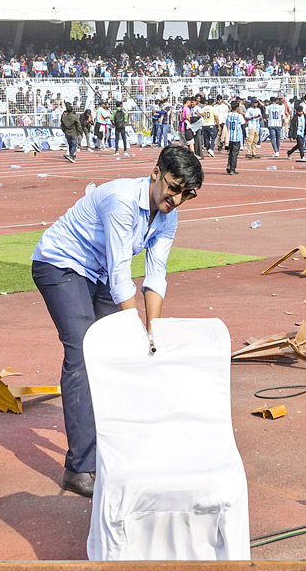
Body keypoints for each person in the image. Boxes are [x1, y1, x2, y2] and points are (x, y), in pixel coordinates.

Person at [30, 146, 203, 497]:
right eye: (173, 187)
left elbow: (155, 275)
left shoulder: (168, 217)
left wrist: (152, 333)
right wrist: (134, 329)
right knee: (83, 352)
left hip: (98, 273)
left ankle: (117, 448)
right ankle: (79, 467)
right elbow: (121, 271)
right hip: (61, 264)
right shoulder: (121, 200)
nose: (176, 199)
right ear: (156, 173)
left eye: (186, 194)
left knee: (119, 355)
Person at [224, 100, 244, 174]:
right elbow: (242, 125)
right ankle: (232, 168)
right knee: (234, 154)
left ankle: (229, 166)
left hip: (229, 137)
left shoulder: (227, 115)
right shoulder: (239, 116)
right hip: (236, 137)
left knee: (230, 153)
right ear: (237, 108)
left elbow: (224, 123)